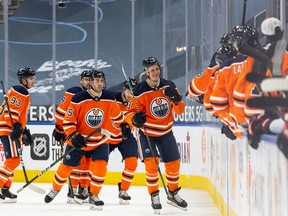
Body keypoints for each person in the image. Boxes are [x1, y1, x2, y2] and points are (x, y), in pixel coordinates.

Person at [44, 70, 124, 211]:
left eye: (102, 81)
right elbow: (68, 121)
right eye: (97, 81)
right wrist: (73, 135)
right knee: (66, 167)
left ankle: (94, 195)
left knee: (100, 166)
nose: (100, 84)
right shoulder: (78, 98)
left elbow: (118, 118)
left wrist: (125, 125)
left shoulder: (110, 97)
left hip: (100, 140)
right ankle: (55, 188)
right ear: (91, 82)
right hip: (79, 140)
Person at [125, 57, 187, 213]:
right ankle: (154, 195)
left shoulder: (169, 86)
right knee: (152, 165)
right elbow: (128, 114)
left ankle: (173, 194)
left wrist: (177, 99)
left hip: (166, 132)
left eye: (157, 68)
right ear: (146, 72)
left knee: (173, 164)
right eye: (151, 70)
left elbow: (180, 110)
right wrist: (134, 120)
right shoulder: (138, 91)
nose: (155, 72)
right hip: (147, 133)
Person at [52, 70, 93, 203]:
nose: (88, 82)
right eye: (85, 79)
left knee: (88, 162)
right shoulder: (73, 92)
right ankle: (72, 190)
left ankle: (83, 187)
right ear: (81, 81)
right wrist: (59, 128)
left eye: (90, 80)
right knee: (75, 162)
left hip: (88, 134)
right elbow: (61, 112)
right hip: (73, 133)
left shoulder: (95, 95)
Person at [0, 67, 36, 203]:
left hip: (9, 127)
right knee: (13, 160)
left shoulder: (19, 91)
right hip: (9, 128)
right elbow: (12, 112)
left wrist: (23, 129)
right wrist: (16, 128)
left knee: (12, 160)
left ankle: (5, 188)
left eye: (34, 78)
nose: (34, 81)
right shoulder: (21, 91)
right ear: (24, 80)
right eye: (31, 79)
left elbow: (16, 114)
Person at [108, 78, 139, 205]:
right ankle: (89, 189)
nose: (131, 95)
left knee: (132, 162)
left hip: (125, 137)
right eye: (129, 92)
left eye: (133, 92)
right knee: (97, 164)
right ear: (124, 90)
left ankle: (123, 190)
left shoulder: (136, 102)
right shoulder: (112, 98)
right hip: (108, 136)